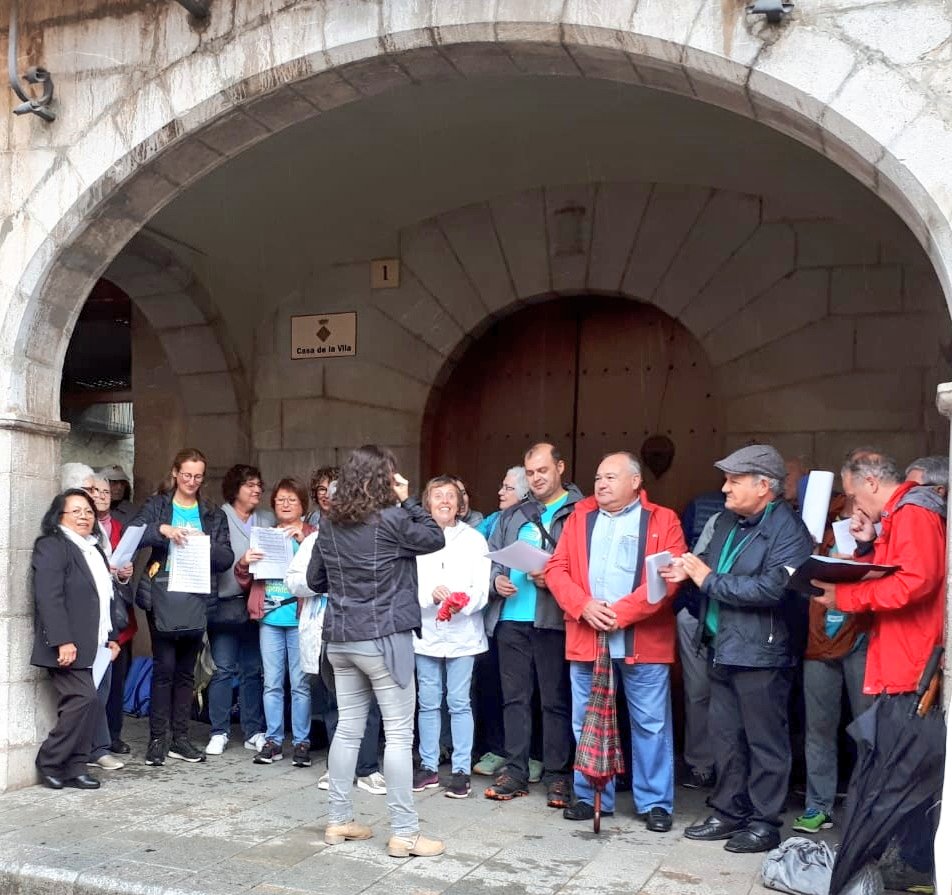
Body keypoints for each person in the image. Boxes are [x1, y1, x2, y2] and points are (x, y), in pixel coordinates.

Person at [662, 444, 813, 853]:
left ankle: (764, 822)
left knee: (765, 742)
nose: (724, 488)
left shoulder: (789, 530)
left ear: (764, 486)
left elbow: (773, 589)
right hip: (722, 644)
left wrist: (707, 579)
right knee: (726, 737)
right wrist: (684, 570)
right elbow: (707, 562)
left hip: (762, 651)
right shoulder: (728, 520)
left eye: (734, 480)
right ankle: (728, 811)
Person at [813, 448, 946, 888]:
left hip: (911, 670)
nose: (853, 507)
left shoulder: (912, 514)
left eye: (853, 496)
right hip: (899, 665)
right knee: (892, 784)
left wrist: (846, 599)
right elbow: (895, 572)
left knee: (888, 785)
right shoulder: (899, 517)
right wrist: (869, 543)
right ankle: (903, 866)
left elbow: (915, 582)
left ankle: (868, 871)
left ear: (871, 483)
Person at [306, 445, 446, 858]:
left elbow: (315, 579)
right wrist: (408, 498)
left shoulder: (328, 523)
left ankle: (338, 820)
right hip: (385, 638)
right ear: (384, 479)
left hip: (341, 638)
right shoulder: (392, 518)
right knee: (400, 736)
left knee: (349, 728)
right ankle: (405, 832)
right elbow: (434, 536)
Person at [546, 452, 686, 831]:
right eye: (597, 477)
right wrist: (584, 606)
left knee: (651, 725)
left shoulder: (663, 519)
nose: (601, 484)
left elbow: (670, 579)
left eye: (610, 477)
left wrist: (618, 613)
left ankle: (655, 802)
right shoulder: (580, 517)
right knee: (587, 722)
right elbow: (556, 569)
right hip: (588, 635)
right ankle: (592, 797)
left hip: (643, 640)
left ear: (636, 482)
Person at [484, 443, 582, 808]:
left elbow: (585, 567)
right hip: (512, 616)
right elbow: (492, 555)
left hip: (552, 618)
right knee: (515, 699)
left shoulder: (580, 512)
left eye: (542, 470)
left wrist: (556, 579)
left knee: (555, 700)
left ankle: (558, 774)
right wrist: (496, 581)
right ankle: (515, 769)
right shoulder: (514, 513)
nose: (536, 478)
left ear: (560, 467)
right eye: (530, 473)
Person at [131, 448, 234, 767]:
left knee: (186, 672)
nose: (191, 481)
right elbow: (134, 534)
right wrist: (163, 529)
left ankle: (181, 737)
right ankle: (158, 738)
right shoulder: (159, 504)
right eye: (186, 475)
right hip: (161, 594)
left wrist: (205, 542)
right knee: (164, 668)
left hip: (196, 595)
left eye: (198, 476)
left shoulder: (212, 512)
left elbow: (226, 558)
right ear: (175, 473)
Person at [31, 489, 122, 790]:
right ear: (60, 516)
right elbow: (49, 597)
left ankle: (76, 765)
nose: (84, 517)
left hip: (94, 643)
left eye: (89, 511)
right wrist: (62, 640)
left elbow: (106, 598)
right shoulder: (52, 546)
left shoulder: (93, 549)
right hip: (66, 644)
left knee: (92, 703)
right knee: (84, 699)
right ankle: (50, 761)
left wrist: (112, 637)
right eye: (76, 511)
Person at [792, 492, 872, 835]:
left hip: (862, 635)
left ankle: (868, 807)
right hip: (820, 634)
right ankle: (818, 805)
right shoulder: (817, 526)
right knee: (819, 727)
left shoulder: (883, 529)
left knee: (868, 727)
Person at [412, 475, 490, 800]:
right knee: (428, 703)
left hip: (463, 635)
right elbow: (405, 585)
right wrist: (429, 595)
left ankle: (460, 770)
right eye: (437, 495)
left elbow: (482, 589)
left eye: (451, 496)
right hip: (426, 633)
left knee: (459, 703)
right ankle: (429, 765)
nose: (444, 500)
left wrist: (463, 601)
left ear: (460, 504)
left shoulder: (474, 540)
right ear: (427, 502)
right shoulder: (415, 539)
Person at [236, 478, 314, 767]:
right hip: (269, 617)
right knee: (271, 683)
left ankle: (302, 742)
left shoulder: (312, 535)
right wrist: (245, 561)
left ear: (303, 505)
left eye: (292, 500)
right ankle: (273, 740)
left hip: (298, 618)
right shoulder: (264, 535)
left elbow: (324, 570)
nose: (285, 504)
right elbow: (243, 578)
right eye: (280, 499)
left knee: (300, 684)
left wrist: (304, 542)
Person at [205, 464, 270, 756]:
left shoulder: (266, 520)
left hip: (257, 605)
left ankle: (253, 730)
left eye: (258, 485)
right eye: (249, 485)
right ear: (235, 490)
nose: (256, 490)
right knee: (222, 669)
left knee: (253, 670)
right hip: (225, 604)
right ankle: (219, 730)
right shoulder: (219, 518)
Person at [472, 465, 529, 776]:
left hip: (532, 615)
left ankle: (531, 755)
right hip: (497, 616)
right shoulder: (493, 521)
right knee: (494, 686)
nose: (501, 492)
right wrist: (494, 583)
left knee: (529, 693)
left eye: (507, 488)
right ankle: (496, 748)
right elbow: (480, 557)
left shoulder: (538, 519)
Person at [674, 489, 725, 790]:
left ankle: (730, 769)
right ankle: (700, 764)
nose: (728, 487)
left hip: (734, 620)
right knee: (697, 692)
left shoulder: (777, 523)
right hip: (695, 612)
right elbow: (685, 556)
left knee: (730, 697)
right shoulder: (707, 513)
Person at [83, 474, 132, 770]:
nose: (101, 495)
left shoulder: (116, 527)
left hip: (113, 615)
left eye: (105, 490)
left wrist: (123, 572)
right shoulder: (79, 533)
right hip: (88, 617)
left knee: (113, 680)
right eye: (94, 490)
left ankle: (108, 739)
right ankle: (90, 746)